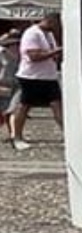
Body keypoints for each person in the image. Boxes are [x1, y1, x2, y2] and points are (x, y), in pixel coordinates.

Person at [11, 13, 63, 150]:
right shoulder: (32, 34)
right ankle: (17, 137)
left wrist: (56, 55)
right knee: (24, 106)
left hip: (48, 76)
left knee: (57, 105)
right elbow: (33, 56)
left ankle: (68, 136)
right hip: (31, 77)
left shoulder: (49, 35)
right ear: (49, 21)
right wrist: (55, 52)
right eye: (56, 23)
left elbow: (50, 52)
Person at [0, 28, 21, 142]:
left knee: (13, 109)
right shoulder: (2, 53)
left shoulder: (21, 54)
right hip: (2, 84)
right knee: (4, 111)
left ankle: (13, 134)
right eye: (13, 44)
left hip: (17, 84)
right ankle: (10, 133)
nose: (15, 46)